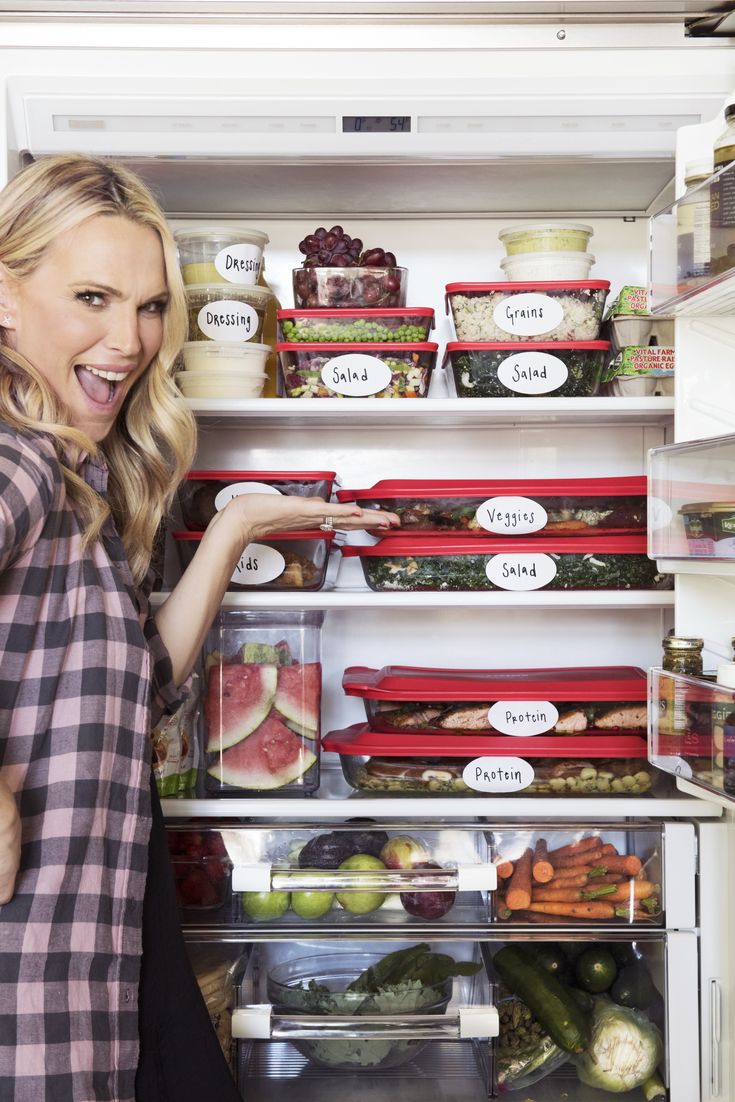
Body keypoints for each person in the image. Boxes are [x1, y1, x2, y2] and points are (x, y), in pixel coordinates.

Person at [0, 152, 398, 1102]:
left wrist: (235, 525)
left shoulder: (71, 483)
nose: (129, 340)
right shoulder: (15, 460)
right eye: (92, 297)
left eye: (147, 308)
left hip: (83, 954)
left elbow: (150, 684)